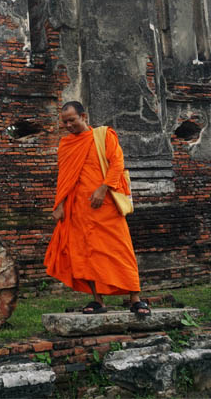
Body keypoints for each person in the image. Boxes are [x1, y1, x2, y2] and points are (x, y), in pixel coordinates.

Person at [44, 101, 150, 316]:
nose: (68, 125)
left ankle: (135, 299)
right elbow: (64, 178)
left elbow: (117, 164)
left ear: (84, 116)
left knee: (120, 249)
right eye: (64, 122)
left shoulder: (103, 136)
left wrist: (103, 189)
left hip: (105, 206)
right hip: (78, 210)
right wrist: (59, 205)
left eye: (72, 120)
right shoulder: (66, 145)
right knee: (86, 255)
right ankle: (97, 301)